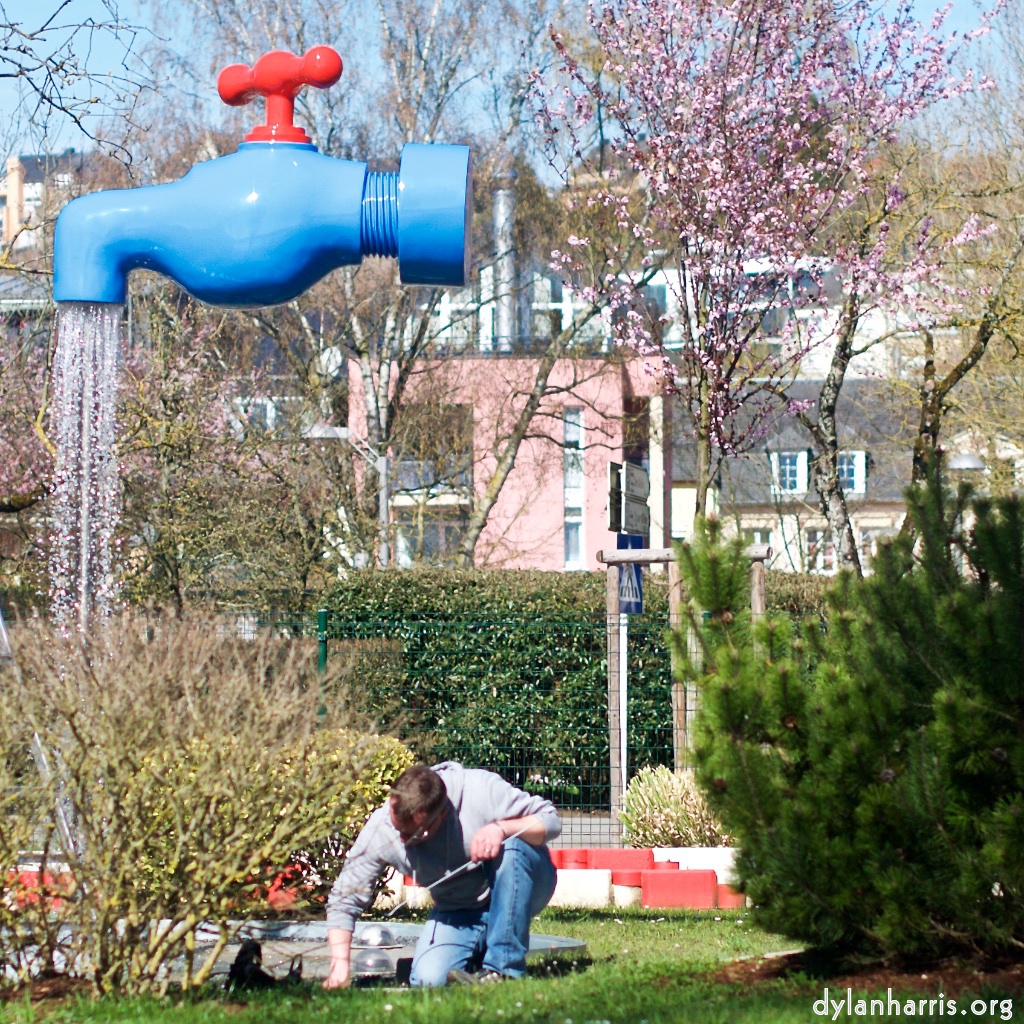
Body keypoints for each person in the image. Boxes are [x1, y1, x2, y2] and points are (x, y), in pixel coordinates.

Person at [323, 761, 560, 988]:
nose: (403, 840)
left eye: (414, 834)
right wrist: (339, 968)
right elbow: (344, 899)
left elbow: (551, 820)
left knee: (512, 847)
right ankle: (477, 960)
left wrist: (501, 829)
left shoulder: (480, 790)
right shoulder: (381, 828)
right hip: (460, 910)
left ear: (442, 815)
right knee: (428, 980)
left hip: (522, 885)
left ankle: (503, 970)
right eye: (399, 830)